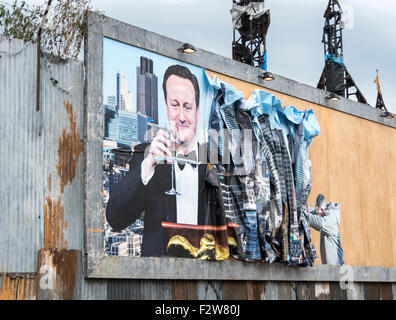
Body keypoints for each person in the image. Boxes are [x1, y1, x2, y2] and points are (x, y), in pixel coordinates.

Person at [106, 64, 227, 258]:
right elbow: (116, 219)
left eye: (187, 107)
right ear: (165, 106)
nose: (181, 116)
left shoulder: (214, 161)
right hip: (159, 283)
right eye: (174, 105)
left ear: (197, 111)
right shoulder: (145, 154)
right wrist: (147, 166)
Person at [304, 194, 345, 265]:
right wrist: (304, 209)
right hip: (330, 266)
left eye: (318, 214)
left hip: (337, 266)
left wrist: (304, 214)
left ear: (323, 210)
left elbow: (320, 223)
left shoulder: (331, 218)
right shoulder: (324, 213)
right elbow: (315, 211)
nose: (318, 215)